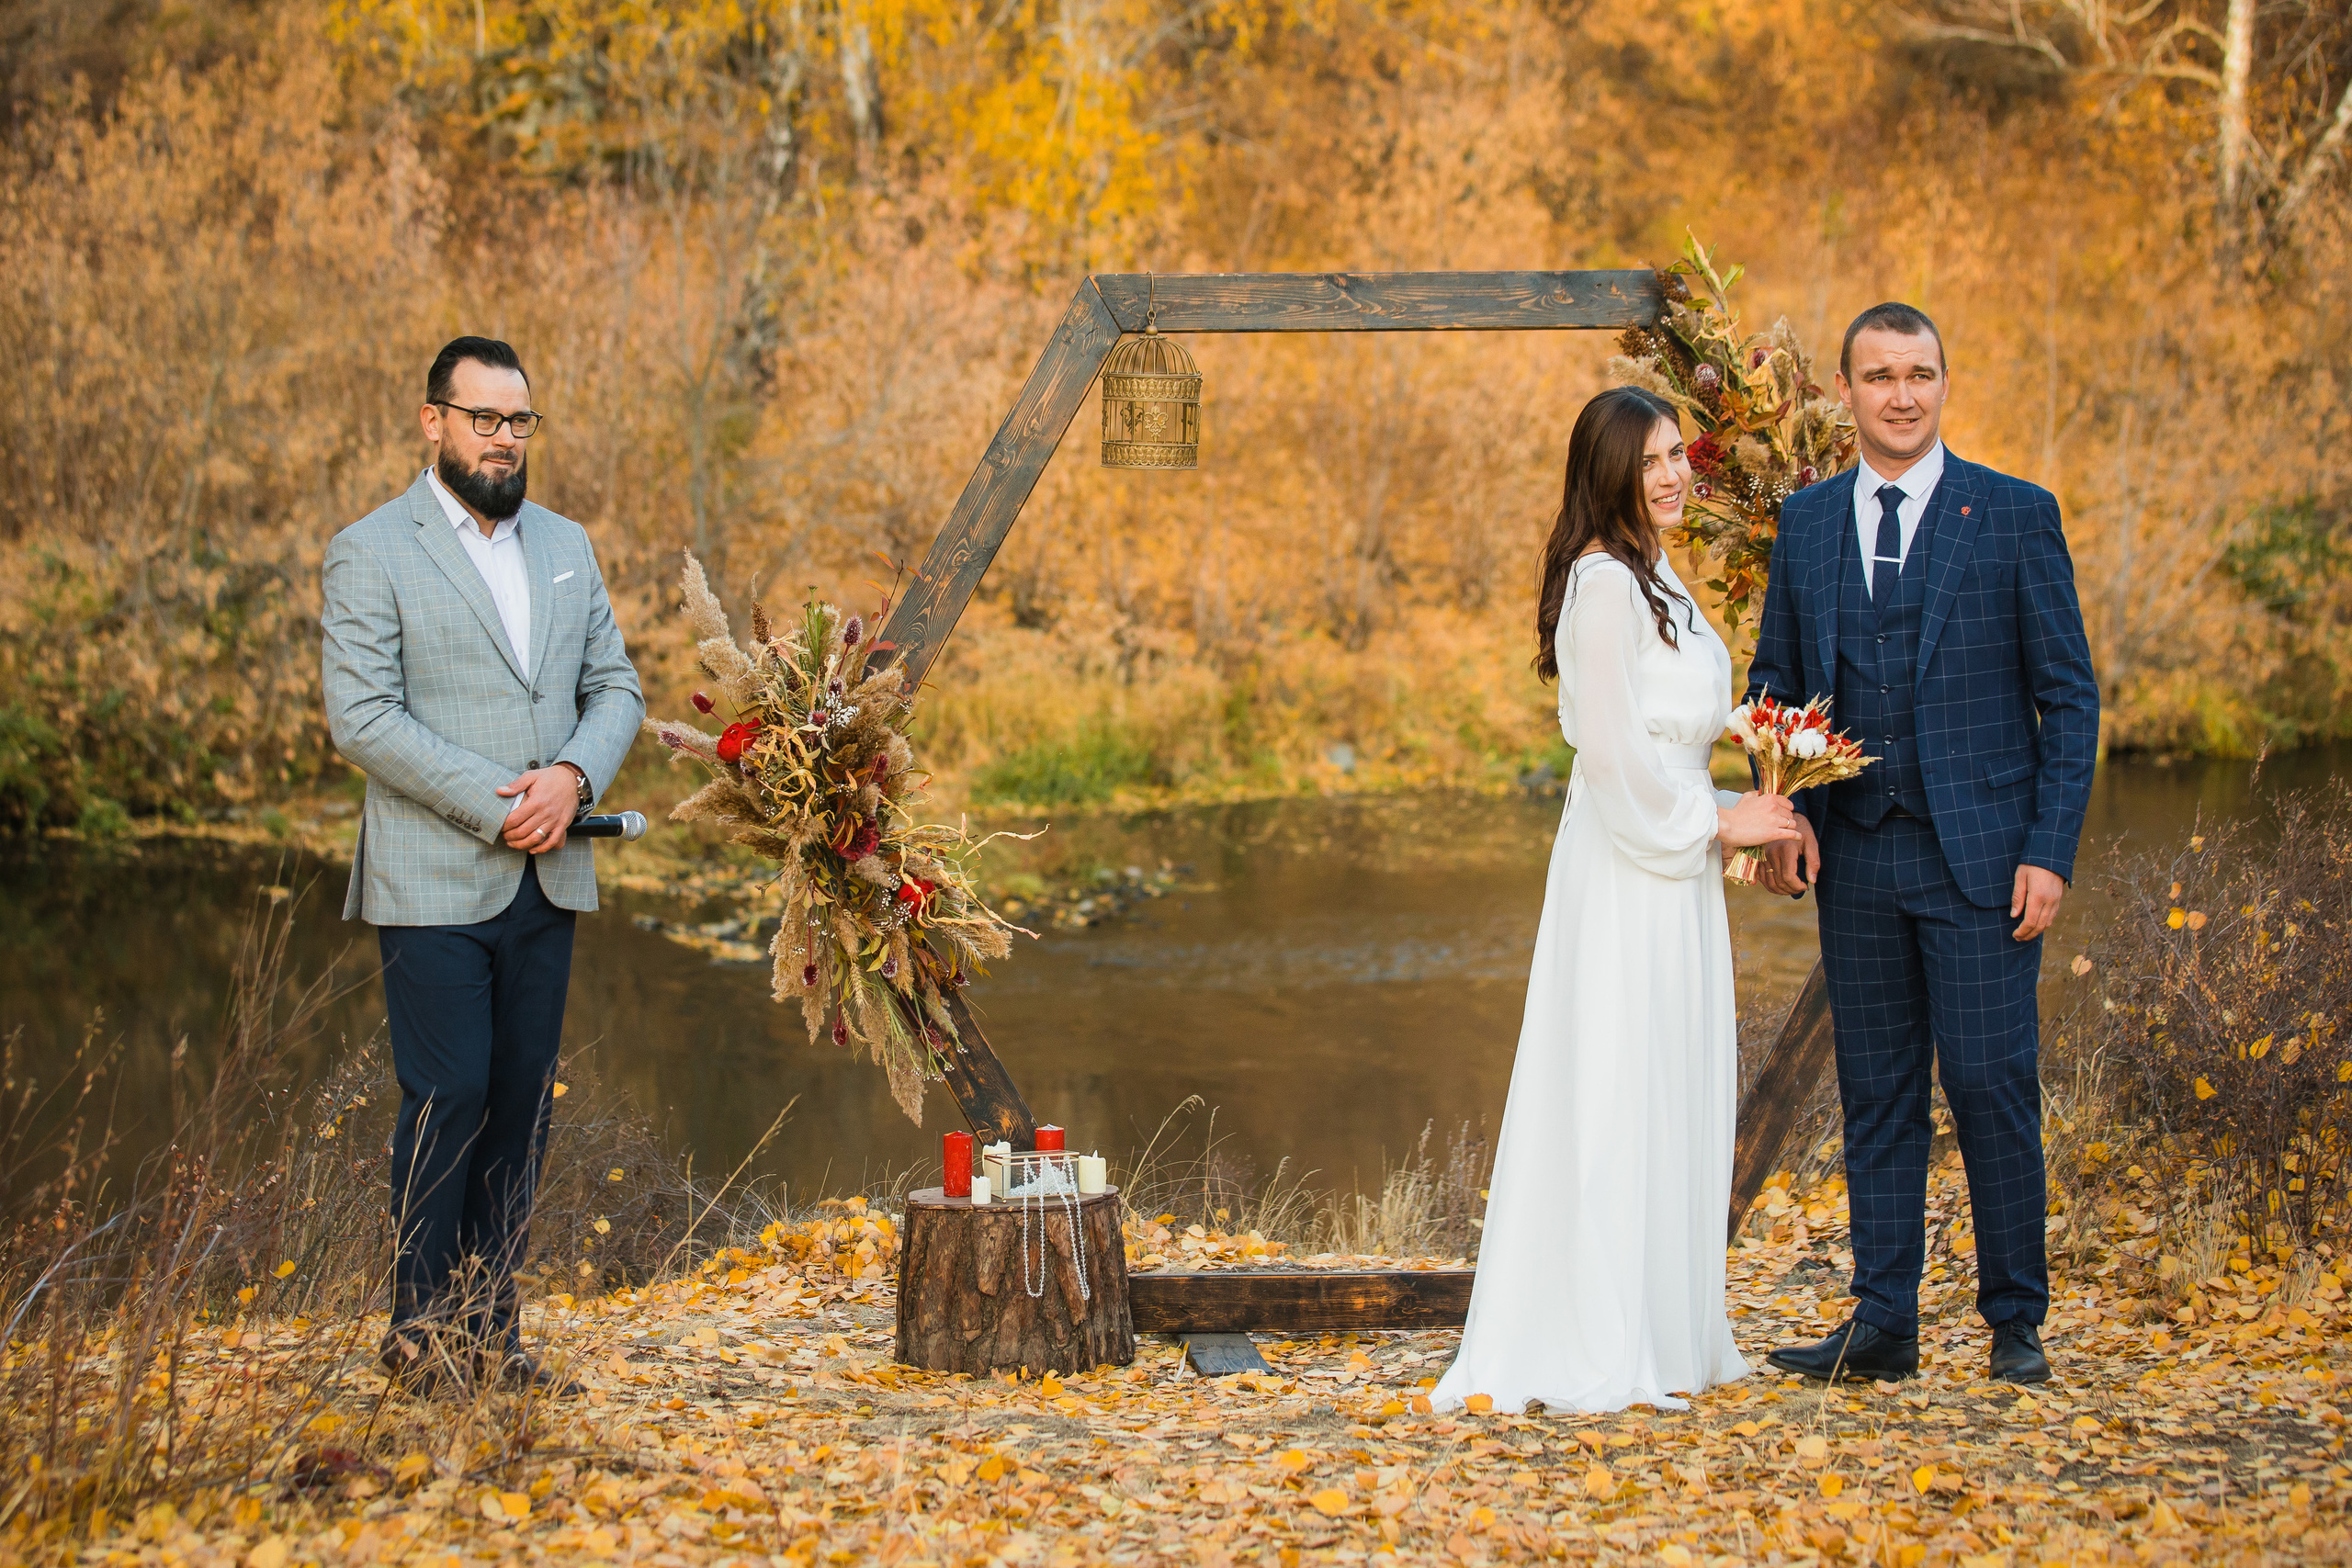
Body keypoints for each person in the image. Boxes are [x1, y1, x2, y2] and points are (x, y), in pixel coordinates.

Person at [1745, 304, 2098, 1386]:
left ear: (1944, 384)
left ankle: (2013, 1324)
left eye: (1921, 373)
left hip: (1985, 860)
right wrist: (1783, 807)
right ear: (1844, 393)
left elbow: (2068, 701)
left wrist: (2048, 850)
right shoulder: (1804, 525)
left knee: (1990, 1084)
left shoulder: (2013, 515)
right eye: (1879, 375)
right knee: (1879, 1094)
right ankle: (1882, 1323)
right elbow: (1773, 687)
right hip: (1856, 858)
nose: (1902, 394)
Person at [1431, 386, 1799, 1414]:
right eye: (1649, 463)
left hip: (1671, 870)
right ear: (1607, 476)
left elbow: (1669, 747)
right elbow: (1610, 753)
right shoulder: (1601, 586)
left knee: (1667, 1081)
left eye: (1678, 454)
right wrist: (1718, 825)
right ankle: (1596, 1338)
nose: (1674, 475)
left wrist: (1753, 798)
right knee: (1612, 1082)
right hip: (1626, 869)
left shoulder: (1659, 580)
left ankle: (1664, 1330)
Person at [322, 336, 645, 1396]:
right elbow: (361, 717)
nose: (504, 440)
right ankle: (417, 1331)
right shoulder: (372, 549)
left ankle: (488, 1336)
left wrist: (571, 779)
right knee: (447, 1091)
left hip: (547, 874)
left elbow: (618, 691)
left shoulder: (566, 544)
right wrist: (496, 800)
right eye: (482, 419)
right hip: (430, 873)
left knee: (518, 1103)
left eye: (518, 422)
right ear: (433, 422)